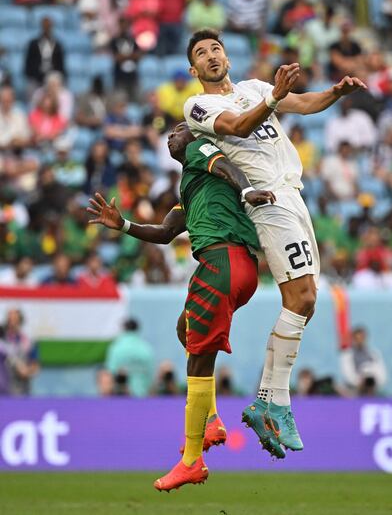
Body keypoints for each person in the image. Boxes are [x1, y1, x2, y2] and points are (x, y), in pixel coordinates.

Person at [182, 28, 366, 457]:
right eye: (202, 53)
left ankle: (271, 401)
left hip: (293, 196)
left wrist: (335, 93)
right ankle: (270, 401)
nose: (211, 55)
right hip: (266, 198)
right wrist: (274, 97)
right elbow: (237, 126)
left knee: (307, 299)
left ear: (227, 55)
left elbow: (302, 103)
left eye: (216, 48)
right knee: (299, 297)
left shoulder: (253, 87)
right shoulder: (200, 105)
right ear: (194, 69)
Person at [87, 122, 276, 490]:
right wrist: (122, 224)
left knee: (197, 359)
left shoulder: (199, 153)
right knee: (185, 330)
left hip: (222, 260)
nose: (171, 136)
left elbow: (227, 167)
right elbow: (165, 232)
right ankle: (212, 419)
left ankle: (192, 460)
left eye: (177, 130)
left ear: (194, 137)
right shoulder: (191, 187)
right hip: (232, 268)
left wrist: (249, 188)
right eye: (170, 134)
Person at [104, 318, 154, 398]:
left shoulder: (116, 348)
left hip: (120, 397)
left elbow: (110, 373)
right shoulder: (146, 349)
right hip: (142, 397)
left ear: (124, 329)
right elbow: (151, 375)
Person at [3, 307, 39, 395]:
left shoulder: (28, 341)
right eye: (9, 320)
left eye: (15, 319)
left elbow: (35, 366)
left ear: (20, 321)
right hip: (3, 388)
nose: (12, 323)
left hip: (21, 390)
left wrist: (27, 371)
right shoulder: (3, 340)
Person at [340, 326, 387, 395]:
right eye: (357, 338)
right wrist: (359, 382)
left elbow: (382, 373)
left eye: (362, 338)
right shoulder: (347, 355)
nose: (360, 341)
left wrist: (375, 382)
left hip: (374, 391)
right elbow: (348, 374)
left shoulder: (374, 354)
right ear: (353, 339)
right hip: (355, 392)